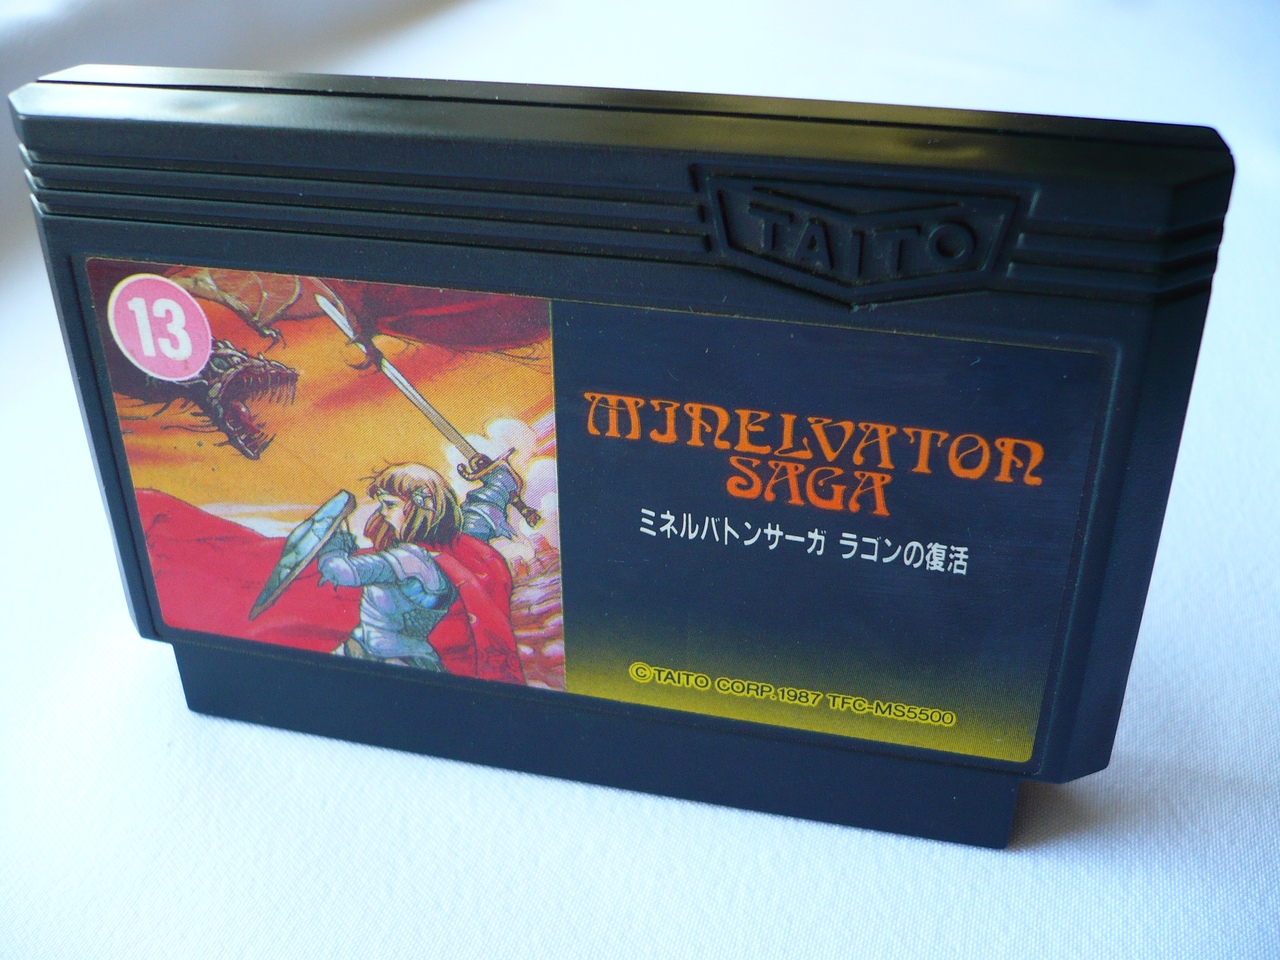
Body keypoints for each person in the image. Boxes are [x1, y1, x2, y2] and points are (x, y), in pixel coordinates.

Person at [317, 461, 526, 684]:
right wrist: (500, 482)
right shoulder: (458, 546)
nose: (383, 514)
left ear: (419, 507)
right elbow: (482, 512)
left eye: (390, 505)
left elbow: (340, 572)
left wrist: (333, 542)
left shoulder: (409, 560)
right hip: (389, 654)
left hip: (388, 661)